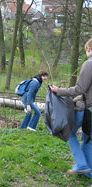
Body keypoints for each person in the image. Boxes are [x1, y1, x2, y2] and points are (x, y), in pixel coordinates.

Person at [50, 38, 92, 178]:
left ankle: (81, 165)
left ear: (88, 49)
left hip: (88, 110)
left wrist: (59, 91)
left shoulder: (89, 64)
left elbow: (80, 89)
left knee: (70, 133)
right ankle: (88, 173)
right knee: (87, 139)